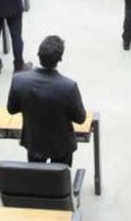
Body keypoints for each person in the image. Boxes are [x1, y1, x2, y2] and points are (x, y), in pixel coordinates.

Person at [7, 35, 87, 166]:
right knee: (61, 179)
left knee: (36, 177)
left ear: (38, 54)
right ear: (60, 59)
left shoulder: (19, 80)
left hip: (34, 141)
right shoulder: (68, 87)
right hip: (61, 145)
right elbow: (80, 118)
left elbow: (12, 109)